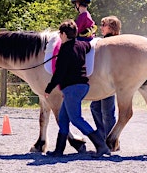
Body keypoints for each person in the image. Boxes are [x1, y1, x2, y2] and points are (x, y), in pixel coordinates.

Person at [44, 20, 110, 158]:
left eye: (60, 34)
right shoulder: (81, 45)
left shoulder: (64, 50)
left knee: (76, 119)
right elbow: (89, 45)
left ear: (63, 34)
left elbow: (59, 73)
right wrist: (90, 34)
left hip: (72, 88)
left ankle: (101, 145)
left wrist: (49, 89)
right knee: (63, 119)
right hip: (82, 86)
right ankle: (59, 150)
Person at [90, 16, 121, 145]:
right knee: (95, 107)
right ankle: (104, 136)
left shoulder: (114, 43)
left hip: (108, 82)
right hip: (101, 81)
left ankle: (111, 140)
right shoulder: (104, 41)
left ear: (111, 28)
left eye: (104, 25)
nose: (101, 27)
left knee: (107, 111)